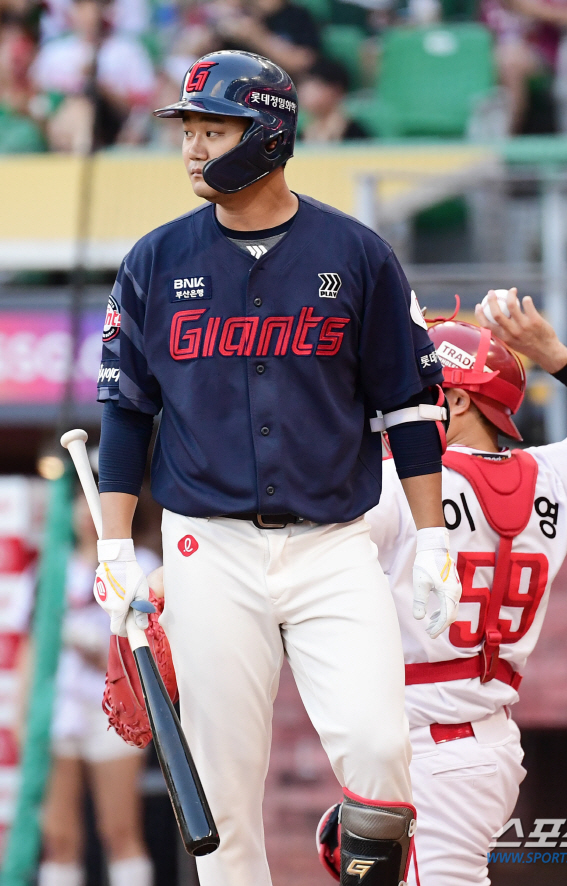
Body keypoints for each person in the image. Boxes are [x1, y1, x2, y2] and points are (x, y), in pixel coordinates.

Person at [93, 49, 462, 886]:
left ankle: (356, 853)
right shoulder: (155, 260)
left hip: (335, 545)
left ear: (265, 134)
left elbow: (407, 405)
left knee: (379, 748)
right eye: (186, 130)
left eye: (210, 128)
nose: (190, 148)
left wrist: (434, 536)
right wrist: (116, 549)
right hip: (207, 551)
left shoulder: (357, 255)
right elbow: (125, 412)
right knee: (221, 802)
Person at [338, 288, 567, 884]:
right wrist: (553, 353)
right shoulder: (556, 475)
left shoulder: (395, 487)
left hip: (433, 750)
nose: (394, 412)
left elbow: (282, 544)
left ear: (457, 400)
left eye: (416, 397)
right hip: (478, 745)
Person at [15, 494, 159, 886]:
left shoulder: (142, 566)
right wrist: (23, 713)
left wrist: (107, 657)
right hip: (58, 709)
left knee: (119, 829)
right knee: (59, 837)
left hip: (116, 709)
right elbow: (31, 647)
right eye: (78, 501)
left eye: (95, 499)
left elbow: (160, 647)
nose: (85, 511)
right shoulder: (50, 571)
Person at [30, 0, 156, 148]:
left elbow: (144, 104)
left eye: (95, 8)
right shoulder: (54, 53)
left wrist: (100, 86)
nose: (90, 16)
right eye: (82, 8)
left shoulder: (127, 50)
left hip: (113, 126)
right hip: (57, 127)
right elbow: (36, 99)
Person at [481, 0, 567, 132]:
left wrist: (537, 11)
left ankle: (502, 140)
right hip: (487, 53)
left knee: (509, 59)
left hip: (551, 57)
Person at [298, 57, 369, 143]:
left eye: (314, 86)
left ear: (336, 90)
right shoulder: (301, 134)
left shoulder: (356, 135)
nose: (304, 92)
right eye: (303, 85)